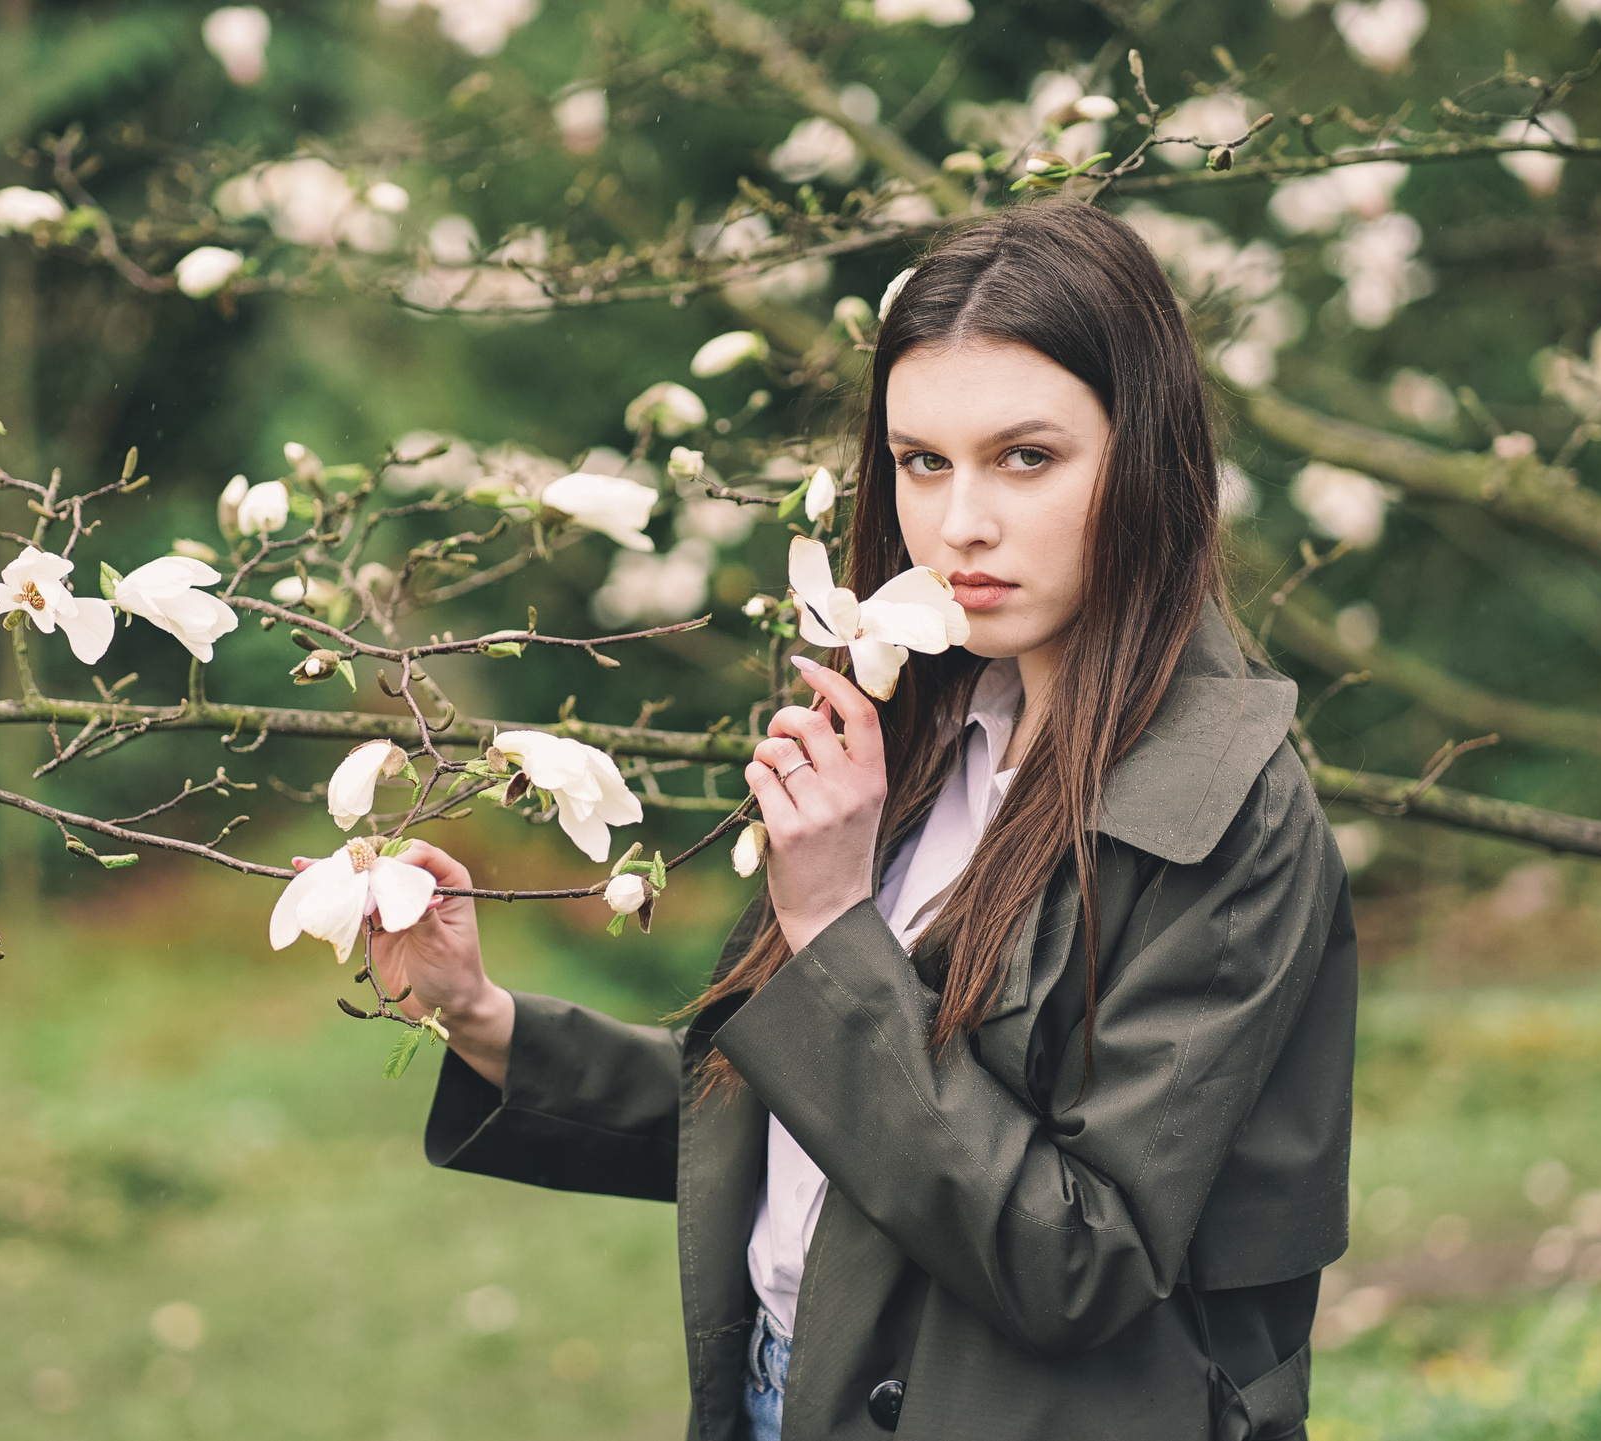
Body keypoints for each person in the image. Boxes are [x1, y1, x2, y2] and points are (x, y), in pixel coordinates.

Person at [365, 199, 1356, 1440]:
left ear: (1146, 456)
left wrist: (832, 920)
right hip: (793, 1393)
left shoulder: (1224, 808)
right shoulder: (919, 730)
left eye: (1026, 458)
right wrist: (482, 1017)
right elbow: (800, 1115)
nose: (959, 524)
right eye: (922, 461)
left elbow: (1078, 1259)